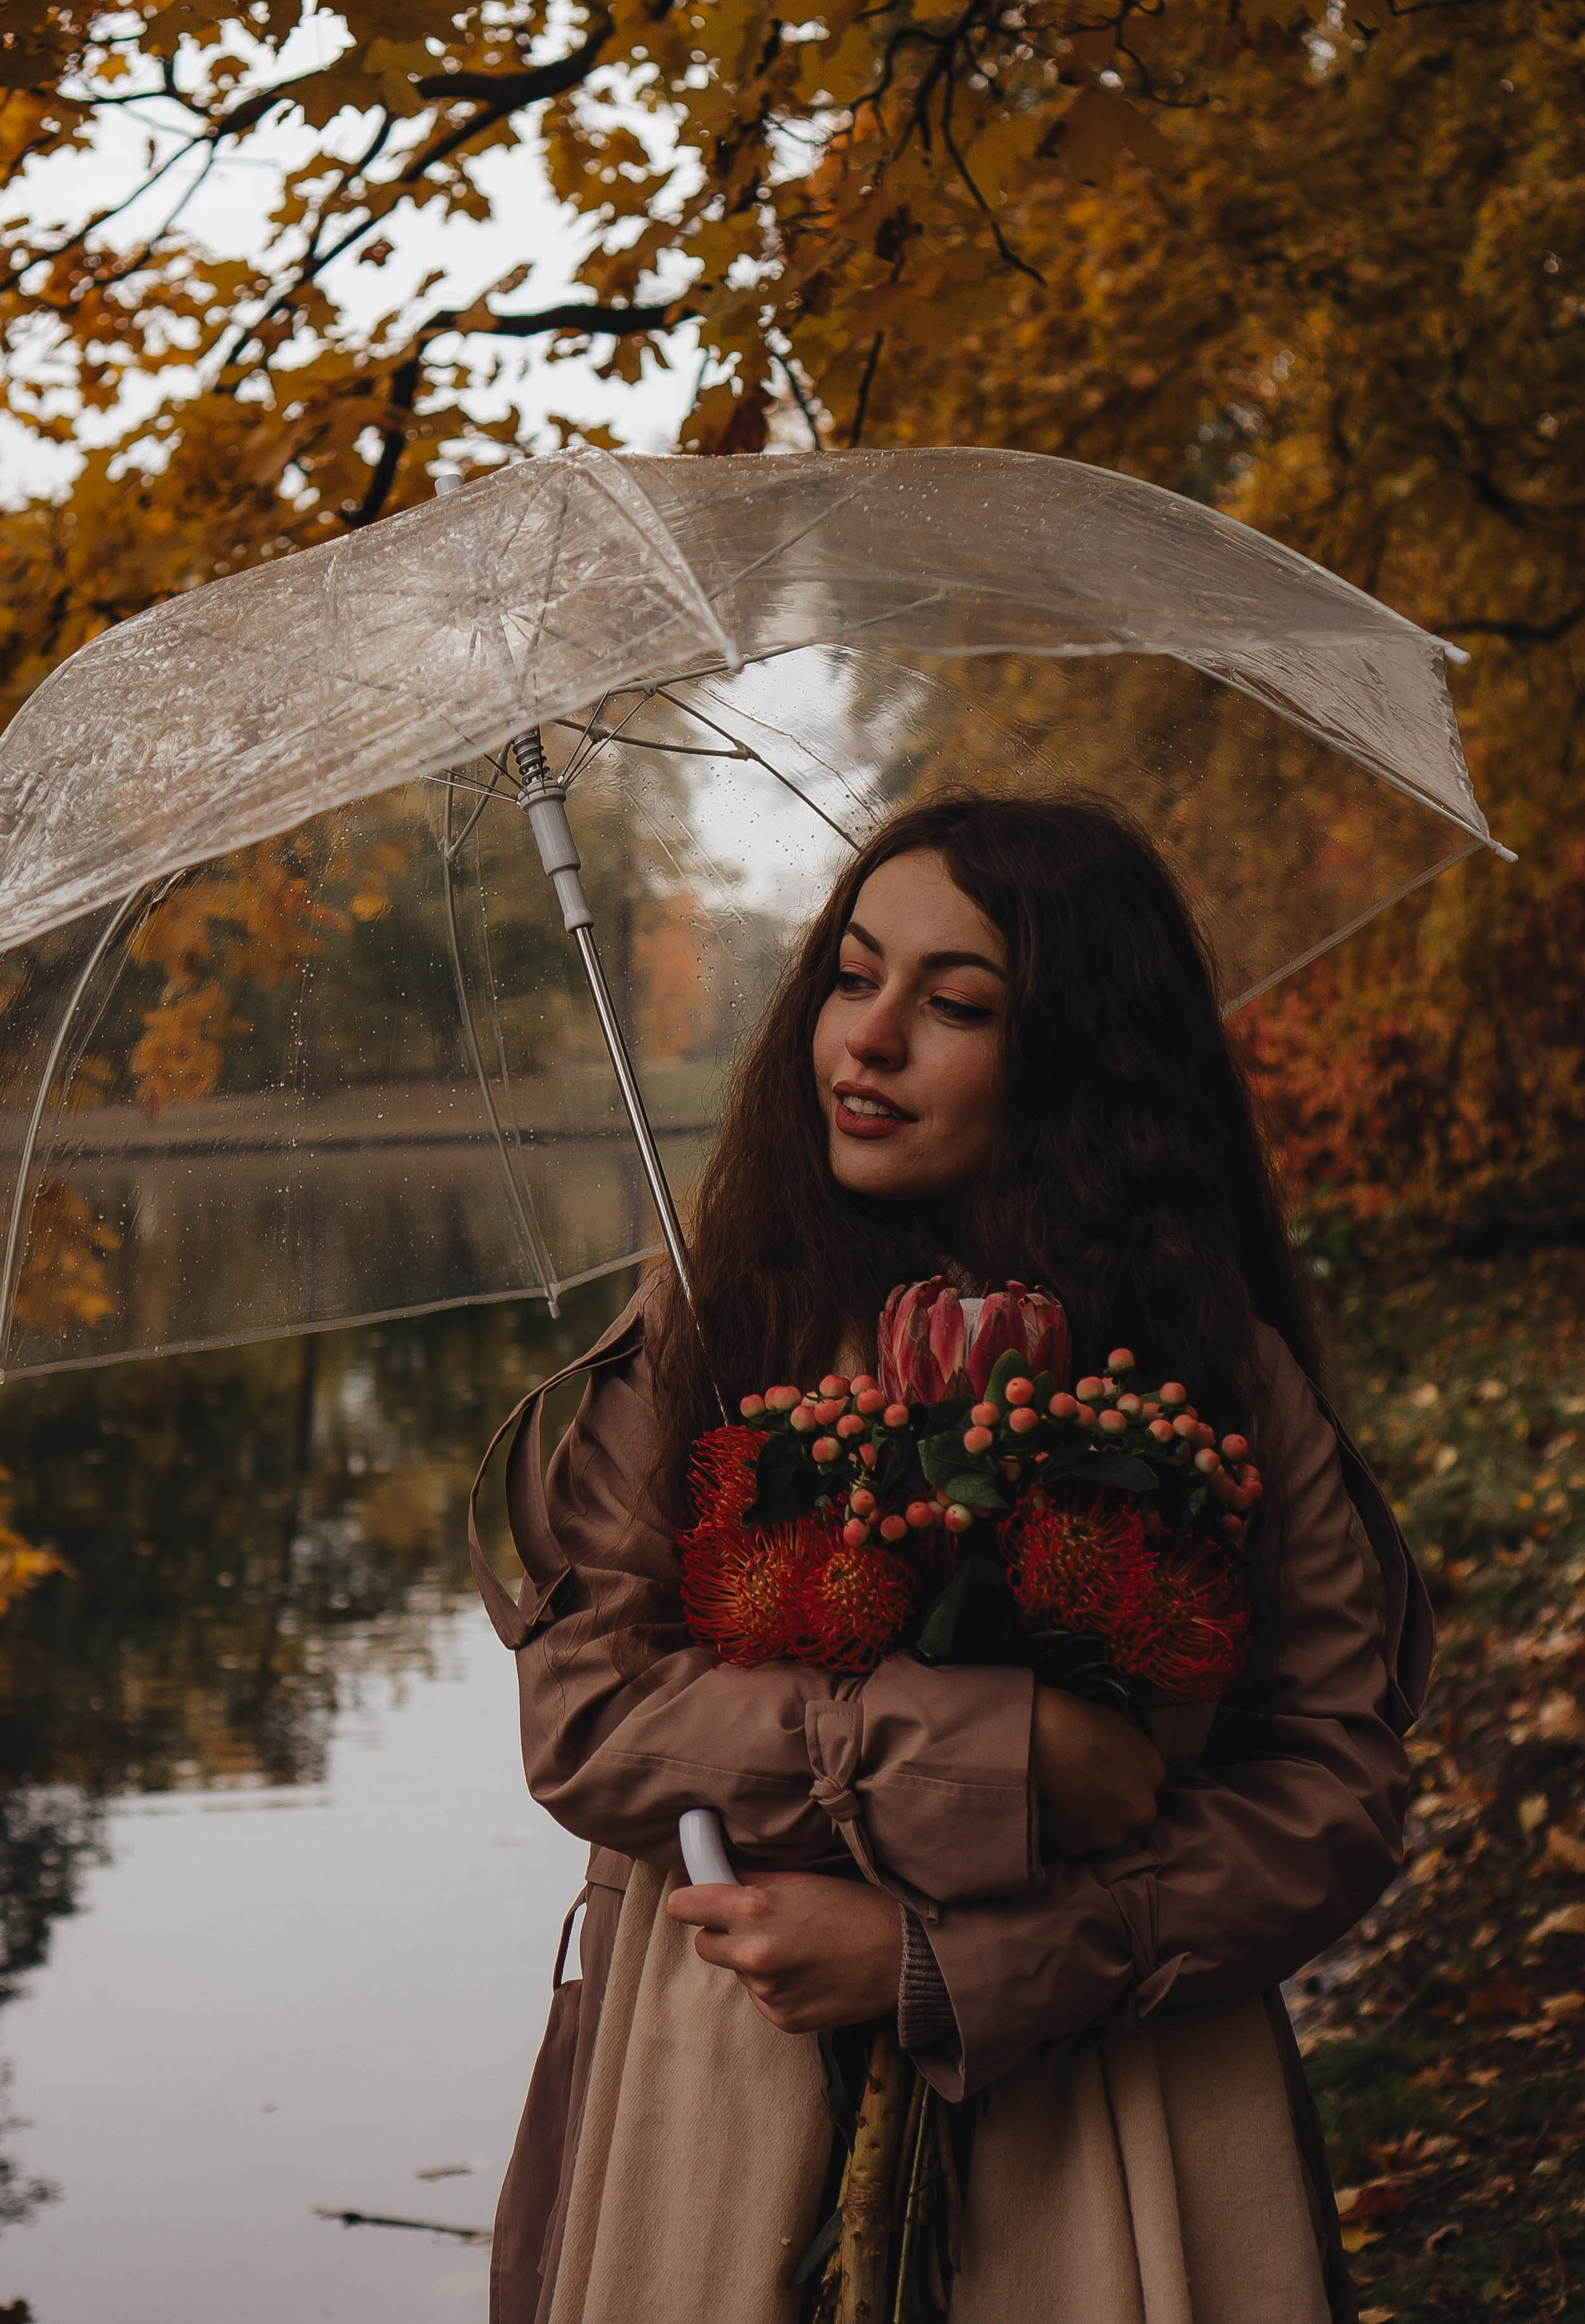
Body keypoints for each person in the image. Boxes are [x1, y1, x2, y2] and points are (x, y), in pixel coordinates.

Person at [469, 795, 1428, 2324]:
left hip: (1113, 2110)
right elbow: (586, 1720)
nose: (868, 1040)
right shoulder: (706, 1330)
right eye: (850, 979)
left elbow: (1333, 1788)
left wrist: (950, 1968)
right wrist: (995, 1750)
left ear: (1077, 1059)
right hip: (732, 2076)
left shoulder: (1213, 1371)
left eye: (954, 1002)